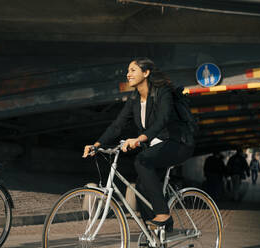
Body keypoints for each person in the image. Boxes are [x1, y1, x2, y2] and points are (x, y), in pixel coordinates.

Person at [82, 58, 194, 232]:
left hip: (178, 143)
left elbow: (162, 119)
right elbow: (117, 125)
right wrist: (97, 144)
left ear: (146, 73)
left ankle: (163, 214)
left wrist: (140, 138)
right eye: (128, 70)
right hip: (156, 149)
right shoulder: (134, 98)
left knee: (142, 160)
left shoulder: (162, 91)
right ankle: (154, 234)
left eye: (133, 70)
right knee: (141, 188)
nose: (128, 74)